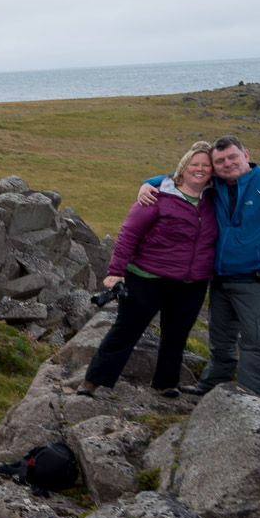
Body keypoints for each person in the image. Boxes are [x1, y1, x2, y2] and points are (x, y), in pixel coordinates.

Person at [134, 134, 260, 397]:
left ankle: (248, 400)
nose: (227, 164)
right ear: (214, 167)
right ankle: (211, 386)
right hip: (220, 279)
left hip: (258, 280)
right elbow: (179, 177)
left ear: (245, 155)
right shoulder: (215, 184)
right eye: (220, 161)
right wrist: (147, 184)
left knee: (257, 344)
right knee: (221, 340)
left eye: (232, 157)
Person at [76, 142, 219, 398]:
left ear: (212, 173)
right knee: (126, 329)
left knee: (176, 335)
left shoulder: (214, 200)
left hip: (191, 283)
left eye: (205, 166)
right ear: (183, 167)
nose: (199, 169)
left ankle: (166, 383)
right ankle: (92, 381)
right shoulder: (156, 195)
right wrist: (116, 271)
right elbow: (129, 233)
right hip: (146, 278)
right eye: (194, 164)